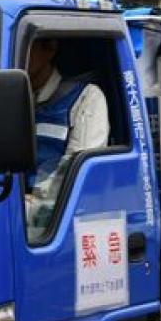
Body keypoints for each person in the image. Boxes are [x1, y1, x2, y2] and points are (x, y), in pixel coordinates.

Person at [26, 39, 110, 225]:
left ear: (49, 49)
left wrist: (33, 204)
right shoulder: (4, 100)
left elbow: (77, 173)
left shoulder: (85, 98)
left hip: (50, 216)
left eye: (23, 48)